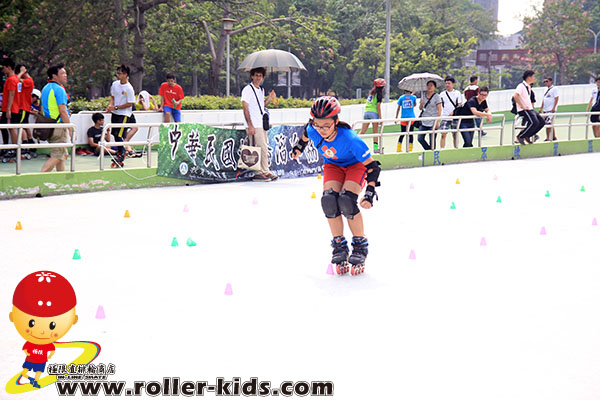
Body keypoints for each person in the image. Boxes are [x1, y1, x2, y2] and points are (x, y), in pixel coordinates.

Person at [291, 96, 381, 276]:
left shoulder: (350, 139)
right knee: (329, 201)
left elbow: (373, 168)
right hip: (333, 165)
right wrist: (299, 147)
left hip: (355, 165)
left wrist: (369, 193)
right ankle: (339, 245)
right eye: (318, 125)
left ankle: (360, 244)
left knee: (347, 201)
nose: (322, 130)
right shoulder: (312, 129)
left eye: (326, 126)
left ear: (336, 121)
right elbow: (306, 134)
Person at [9, 270, 78, 389]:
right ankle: (31, 379)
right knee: (25, 372)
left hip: (41, 361)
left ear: (73, 320)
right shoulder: (31, 343)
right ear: (12, 317)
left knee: (38, 372)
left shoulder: (47, 345)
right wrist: (28, 353)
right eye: (31, 323)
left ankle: (35, 381)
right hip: (31, 360)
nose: (41, 332)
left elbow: (51, 350)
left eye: (52, 325)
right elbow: (25, 349)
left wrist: (49, 356)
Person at [241, 67, 277, 181]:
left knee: (263, 148)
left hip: (261, 123)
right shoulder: (247, 89)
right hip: (254, 124)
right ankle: (259, 172)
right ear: (252, 76)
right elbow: (245, 108)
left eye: (260, 76)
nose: (258, 78)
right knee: (258, 148)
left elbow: (261, 105)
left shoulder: (261, 90)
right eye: (256, 75)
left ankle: (265, 171)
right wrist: (250, 125)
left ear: (262, 77)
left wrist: (270, 98)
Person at [40, 64, 73, 173]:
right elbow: (62, 111)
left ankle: (61, 180)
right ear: (54, 76)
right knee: (58, 155)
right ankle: (39, 178)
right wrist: (70, 129)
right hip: (58, 126)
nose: (65, 75)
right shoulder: (59, 89)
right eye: (62, 73)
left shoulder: (45, 88)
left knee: (61, 155)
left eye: (65, 73)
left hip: (49, 125)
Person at [105, 64, 136, 163]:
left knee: (119, 134)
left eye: (120, 73)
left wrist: (117, 107)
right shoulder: (115, 84)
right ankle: (120, 152)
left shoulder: (129, 88)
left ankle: (122, 154)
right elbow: (113, 97)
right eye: (117, 73)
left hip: (124, 114)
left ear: (125, 74)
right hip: (115, 113)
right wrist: (110, 106)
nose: (118, 75)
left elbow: (130, 103)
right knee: (115, 134)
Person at [513, 70, 545, 145]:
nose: (534, 78)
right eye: (533, 76)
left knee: (542, 122)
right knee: (534, 122)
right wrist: (522, 106)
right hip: (524, 109)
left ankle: (527, 136)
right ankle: (521, 136)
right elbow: (515, 96)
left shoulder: (528, 87)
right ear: (529, 77)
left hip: (530, 109)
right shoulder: (521, 86)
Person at [359, 78, 385, 153]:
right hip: (374, 113)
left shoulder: (371, 93)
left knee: (362, 131)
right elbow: (378, 106)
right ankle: (376, 149)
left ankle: (354, 145)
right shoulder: (379, 94)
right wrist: (380, 118)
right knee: (375, 132)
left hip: (366, 112)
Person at [1, 58, 20, 160]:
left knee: (12, 128)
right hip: (11, 108)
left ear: (8, 67)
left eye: (4, 68)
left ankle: (14, 149)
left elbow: (12, 94)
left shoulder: (12, 79)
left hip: (11, 109)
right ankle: (9, 147)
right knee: (7, 127)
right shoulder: (15, 78)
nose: (3, 70)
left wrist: (8, 110)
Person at [15, 64, 35, 157]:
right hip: (23, 107)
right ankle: (31, 142)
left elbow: (16, 79)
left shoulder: (28, 80)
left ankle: (25, 144)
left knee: (21, 126)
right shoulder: (26, 80)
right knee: (25, 125)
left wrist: (22, 72)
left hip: (23, 107)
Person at [416, 80, 442, 151]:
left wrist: (437, 121)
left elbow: (439, 109)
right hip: (424, 120)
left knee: (432, 140)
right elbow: (420, 108)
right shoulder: (423, 95)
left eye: (431, 85)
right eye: (428, 85)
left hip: (433, 121)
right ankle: (428, 150)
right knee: (420, 138)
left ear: (434, 87)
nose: (429, 87)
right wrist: (421, 104)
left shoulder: (437, 96)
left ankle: (432, 153)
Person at [439, 76, 463, 149]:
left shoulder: (457, 93)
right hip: (445, 116)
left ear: (453, 84)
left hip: (454, 117)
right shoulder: (442, 94)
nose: (447, 85)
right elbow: (440, 105)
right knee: (443, 134)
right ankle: (442, 149)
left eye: (449, 83)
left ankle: (456, 148)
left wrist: (453, 112)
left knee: (455, 134)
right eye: (446, 83)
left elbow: (459, 105)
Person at [539, 77, 559, 141]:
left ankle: (548, 138)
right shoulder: (545, 89)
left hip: (551, 110)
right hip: (546, 110)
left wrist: (554, 108)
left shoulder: (554, 89)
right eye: (544, 81)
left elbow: (556, 98)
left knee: (548, 123)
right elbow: (544, 99)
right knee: (549, 123)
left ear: (550, 81)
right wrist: (541, 108)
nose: (545, 83)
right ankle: (554, 137)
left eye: (547, 81)